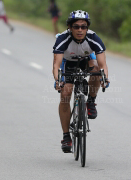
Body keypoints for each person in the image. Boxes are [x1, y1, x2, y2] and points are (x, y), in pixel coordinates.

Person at [52, 10, 110, 152]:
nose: (80, 30)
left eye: (83, 27)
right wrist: (58, 79)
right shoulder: (62, 39)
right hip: (68, 63)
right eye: (76, 26)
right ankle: (66, 137)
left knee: (96, 69)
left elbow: (103, 64)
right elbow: (56, 65)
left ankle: (90, 101)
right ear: (70, 27)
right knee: (65, 94)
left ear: (87, 28)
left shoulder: (94, 38)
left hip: (86, 59)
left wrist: (105, 78)